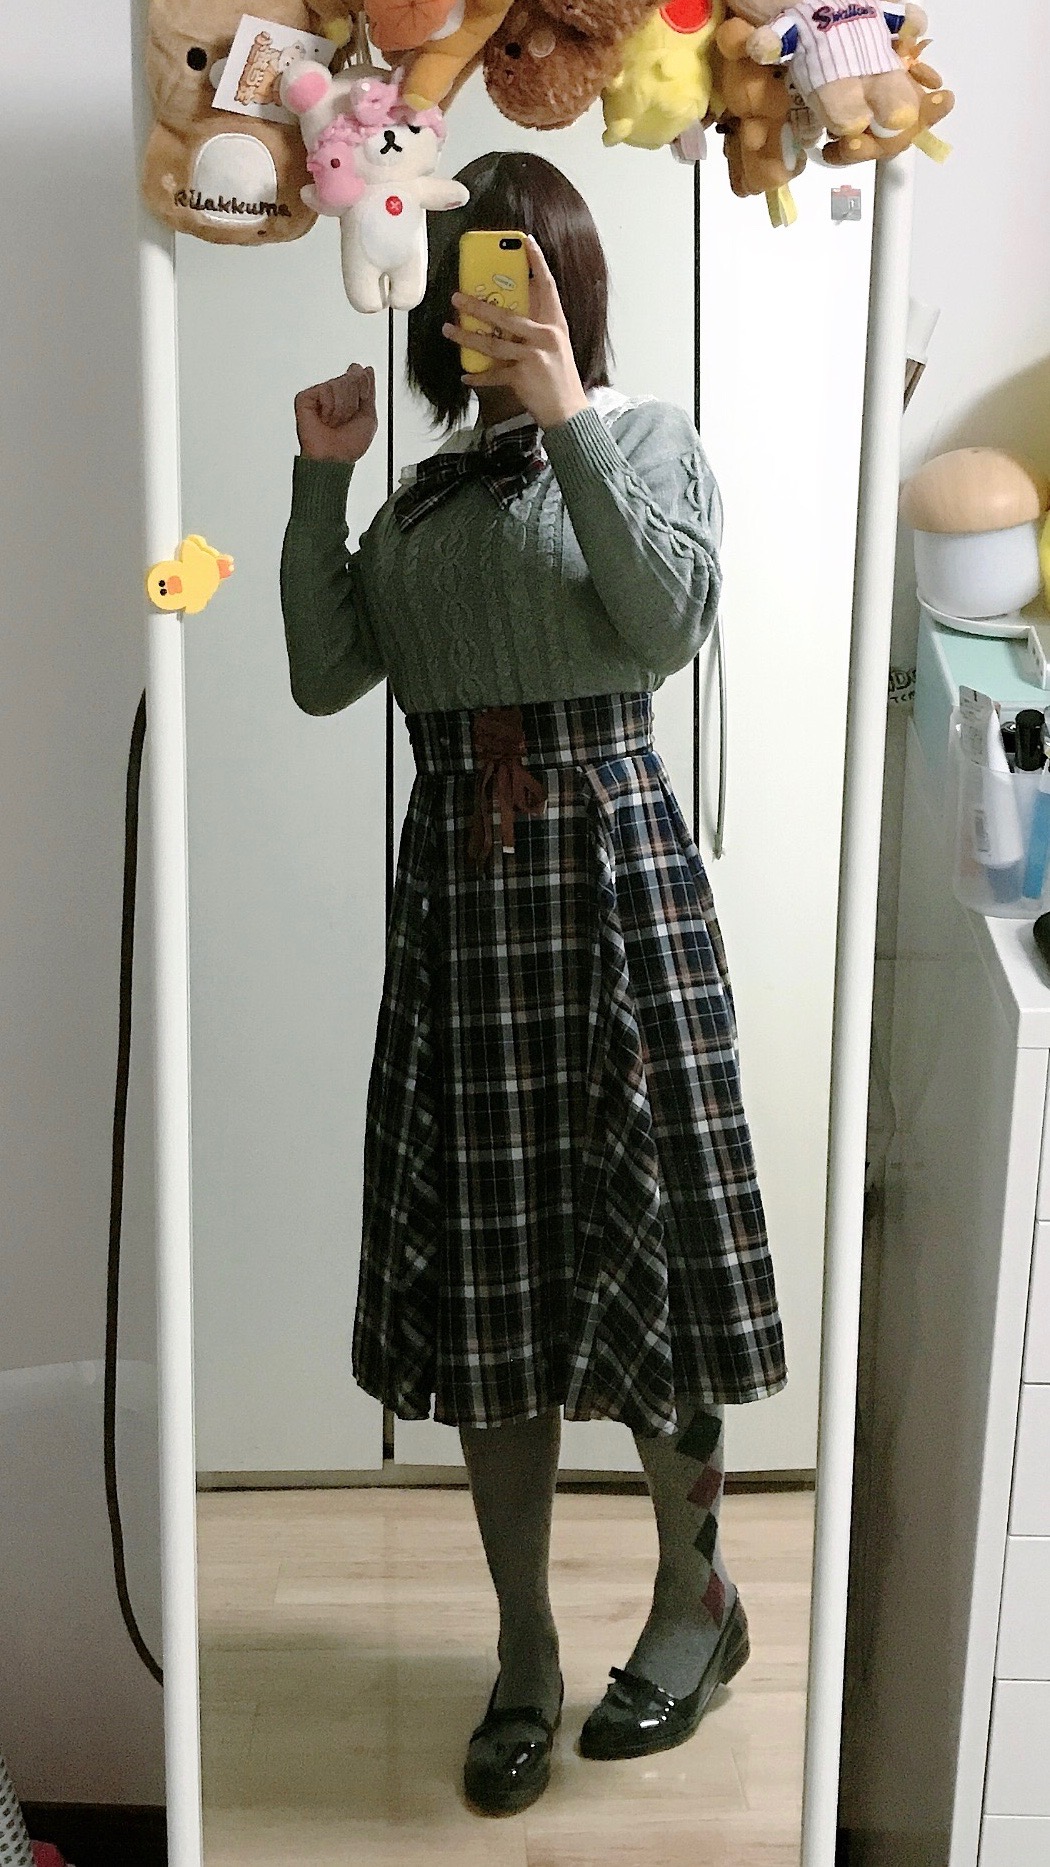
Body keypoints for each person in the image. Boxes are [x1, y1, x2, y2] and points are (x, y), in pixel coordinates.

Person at [280, 150, 787, 1818]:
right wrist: (320, 485)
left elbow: (660, 623)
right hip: (461, 890)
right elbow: (326, 674)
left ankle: (692, 1600)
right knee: (489, 1282)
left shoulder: (641, 440)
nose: (479, 299)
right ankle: (523, 1649)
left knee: (650, 1249)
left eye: (512, 267)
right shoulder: (423, 496)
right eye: (455, 275)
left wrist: (564, 412)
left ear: (565, 280)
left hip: (611, 871)